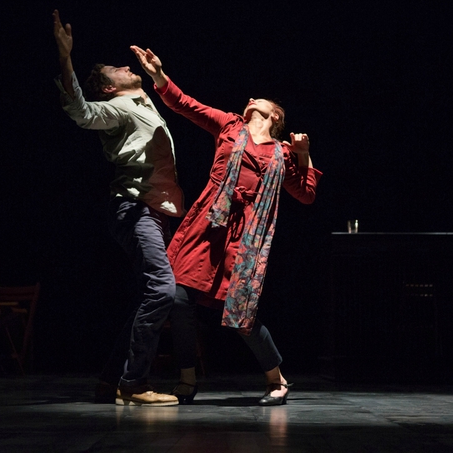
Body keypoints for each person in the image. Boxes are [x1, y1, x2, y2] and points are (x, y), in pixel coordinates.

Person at [131, 45, 322, 406]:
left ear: (275, 116)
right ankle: (187, 378)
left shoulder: (282, 154)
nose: (250, 98)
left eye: (260, 100)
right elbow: (185, 104)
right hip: (207, 227)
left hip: (246, 238)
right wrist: (158, 75)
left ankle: (276, 379)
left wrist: (302, 154)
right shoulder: (229, 125)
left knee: (241, 311)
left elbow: (307, 194)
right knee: (178, 298)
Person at [52, 10, 182, 406]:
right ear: (109, 88)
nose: (126, 66)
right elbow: (82, 112)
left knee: (149, 293)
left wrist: (158, 76)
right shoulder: (118, 108)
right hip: (135, 208)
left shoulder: (140, 102)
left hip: (151, 209)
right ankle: (135, 383)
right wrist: (65, 58)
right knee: (162, 289)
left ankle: (112, 379)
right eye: (117, 68)